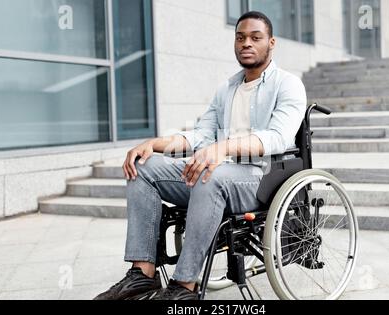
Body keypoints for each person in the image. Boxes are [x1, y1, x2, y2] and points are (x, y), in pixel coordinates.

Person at [94, 11, 307, 300]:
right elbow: (201, 136)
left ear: (271, 43)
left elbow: (278, 137)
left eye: (255, 38)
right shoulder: (227, 89)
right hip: (217, 172)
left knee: (211, 172)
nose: (247, 43)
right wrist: (154, 144)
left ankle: (184, 286)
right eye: (240, 37)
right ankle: (143, 273)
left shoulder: (288, 84)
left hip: (261, 178)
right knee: (143, 166)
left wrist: (224, 148)